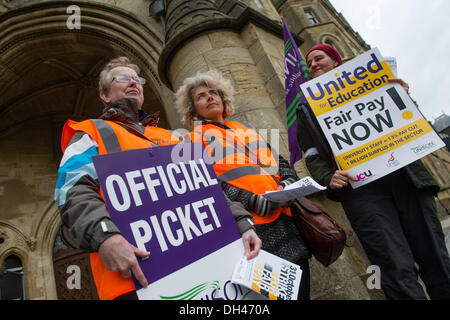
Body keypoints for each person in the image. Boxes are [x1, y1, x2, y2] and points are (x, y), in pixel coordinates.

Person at [54, 57, 261, 300]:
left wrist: (242, 223)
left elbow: (206, 187)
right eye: (122, 78)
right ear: (105, 95)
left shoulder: (172, 137)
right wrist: (106, 236)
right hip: (138, 280)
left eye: (137, 79)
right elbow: (70, 190)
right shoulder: (90, 132)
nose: (133, 82)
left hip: (207, 265)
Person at [297, 44, 450, 299]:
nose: (312, 64)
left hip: (407, 179)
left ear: (335, 61)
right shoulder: (306, 109)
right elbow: (311, 154)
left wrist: (401, 95)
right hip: (363, 193)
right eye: (308, 63)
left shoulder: (376, 83)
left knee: (435, 255)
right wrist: (327, 177)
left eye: (318, 58)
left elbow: (411, 122)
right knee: (393, 266)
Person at [176, 70, 312, 300]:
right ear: (192, 108)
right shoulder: (190, 140)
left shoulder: (246, 128)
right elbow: (208, 185)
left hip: (287, 221)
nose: (210, 97)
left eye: (213, 93)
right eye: (201, 96)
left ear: (223, 98)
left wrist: (287, 184)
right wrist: (253, 200)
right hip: (251, 229)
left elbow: (280, 163)